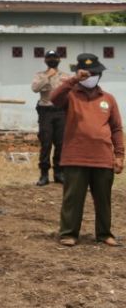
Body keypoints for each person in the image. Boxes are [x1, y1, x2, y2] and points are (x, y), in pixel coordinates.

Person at [53, 53, 124, 246]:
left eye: (94, 73)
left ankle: (104, 234)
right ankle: (68, 233)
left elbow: (117, 128)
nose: (90, 77)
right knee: (73, 199)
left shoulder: (108, 99)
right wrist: (75, 79)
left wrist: (119, 155)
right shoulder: (70, 96)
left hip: (102, 158)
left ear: (100, 75)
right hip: (75, 157)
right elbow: (54, 98)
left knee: (103, 199)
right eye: (86, 73)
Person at [31, 49, 69, 186]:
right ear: (45, 60)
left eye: (55, 58)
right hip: (45, 111)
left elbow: (70, 91)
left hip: (60, 111)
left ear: (59, 60)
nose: (52, 60)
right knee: (46, 142)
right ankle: (44, 174)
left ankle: (59, 173)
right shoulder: (40, 75)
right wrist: (48, 77)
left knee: (61, 143)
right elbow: (35, 88)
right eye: (49, 58)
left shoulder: (65, 76)